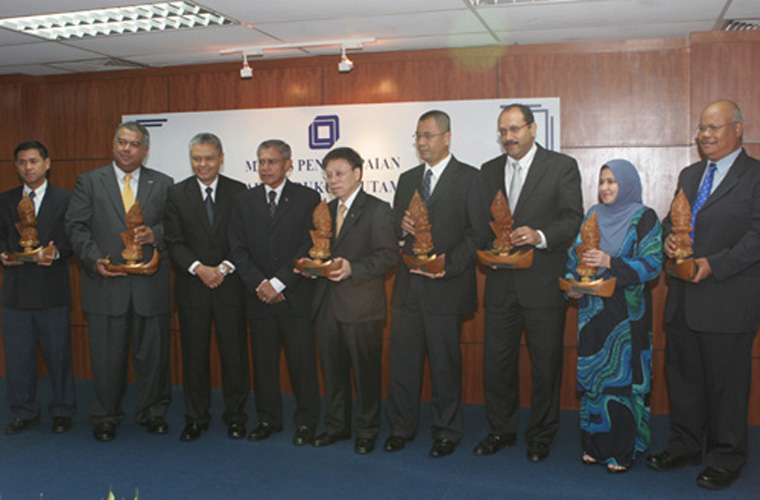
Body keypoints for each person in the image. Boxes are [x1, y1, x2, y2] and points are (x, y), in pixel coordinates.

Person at [647, 100, 760, 490]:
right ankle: (685, 446)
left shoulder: (755, 176)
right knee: (684, 381)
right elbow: (671, 222)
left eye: (714, 127)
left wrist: (714, 264)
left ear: (738, 129)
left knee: (726, 387)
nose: (705, 135)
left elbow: (757, 237)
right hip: (682, 299)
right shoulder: (691, 174)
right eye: (701, 128)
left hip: (728, 299)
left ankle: (726, 457)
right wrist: (666, 241)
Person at [476, 104, 583, 462]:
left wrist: (540, 235)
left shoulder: (561, 167)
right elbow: (479, 223)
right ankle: (501, 429)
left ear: (533, 129)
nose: (508, 137)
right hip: (500, 284)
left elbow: (573, 218)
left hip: (542, 284)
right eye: (503, 131)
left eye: (515, 129)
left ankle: (541, 434)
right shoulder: (489, 171)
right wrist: (488, 246)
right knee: (497, 364)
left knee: (545, 364)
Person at [384, 110, 485, 458]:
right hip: (408, 287)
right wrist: (401, 228)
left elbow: (478, 233)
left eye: (428, 135)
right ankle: (401, 428)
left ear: (447, 137)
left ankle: (446, 431)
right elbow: (395, 229)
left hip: (447, 286)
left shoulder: (470, 178)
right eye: (418, 136)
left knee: (445, 365)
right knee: (403, 363)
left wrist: (448, 265)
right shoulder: (407, 178)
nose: (421, 142)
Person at [65, 121, 173, 442]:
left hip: (149, 286)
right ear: (113, 145)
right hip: (106, 284)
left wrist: (156, 234)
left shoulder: (163, 183)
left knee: (152, 357)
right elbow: (76, 227)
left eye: (134, 144)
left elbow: (177, 226)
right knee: (106, 357)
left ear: (145, 149)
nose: (127, 149)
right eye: (122, 142)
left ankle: (153, 412)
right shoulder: (88, 181)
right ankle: (105, 416)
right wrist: (93, 259)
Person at [564, 160, 662, 473]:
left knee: (623, 381)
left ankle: (622, 451)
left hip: (627, 317)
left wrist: (611, 261)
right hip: (593, 313)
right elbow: (574, 257)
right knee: (595, 379)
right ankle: (595, 447)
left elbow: (652, 265)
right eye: (602, 181)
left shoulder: (644, 217)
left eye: (612, 181)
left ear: (627, 183)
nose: (605, 188)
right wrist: (572, 286)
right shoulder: (592, 214)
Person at [228, 139, 321, 446]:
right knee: (264, 364)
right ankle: (268, 419)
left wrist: (279, 283)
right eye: (261, 162)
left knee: (302, 363)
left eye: (272, 161)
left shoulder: (308, 198)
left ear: (288, 164)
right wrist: (261, 284)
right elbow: (237, 248)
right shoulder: (244, 200)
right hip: (259, 297)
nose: (265, 167)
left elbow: (309, 245)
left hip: (295, 295)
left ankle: (306, 422)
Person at [309, 147, 398, 454]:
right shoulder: (325, 210)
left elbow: (388, 256)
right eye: (328, 175)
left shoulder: (377, 209)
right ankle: (337, 426)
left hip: (362, 306)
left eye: (339, 173)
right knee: (333, 373)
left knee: (365, 374)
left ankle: (367, 431)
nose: (333, 180)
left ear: (357, 173)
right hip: (327, 305)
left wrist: (353, 268)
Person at [165, 133, 249, 441]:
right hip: (193, 288)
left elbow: (243, 239)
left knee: (234, 356)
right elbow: (173, 241)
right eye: (197, 158)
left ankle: (236, 415)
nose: (203, 164)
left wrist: (223, 268)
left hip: (230, 287)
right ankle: (196, 417)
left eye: (209, 158)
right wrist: (200, 269)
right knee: (194, 357)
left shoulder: (239, 192)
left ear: (221, 158)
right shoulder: (176, 193)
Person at [0, 141, 76, 435]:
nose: (28, 167)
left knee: (59, 356)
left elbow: (73, 240)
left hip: (52, 291)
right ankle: (24, 411)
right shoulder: (5, 200)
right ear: (16, 166)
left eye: (33, 161)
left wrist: (56, 253)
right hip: (16, 293)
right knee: (18, 359)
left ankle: (62, 410)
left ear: (47, 163)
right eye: (22, 162)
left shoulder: (66, 199)